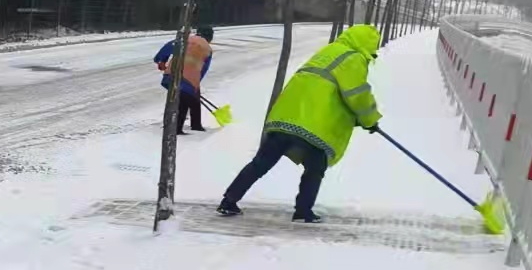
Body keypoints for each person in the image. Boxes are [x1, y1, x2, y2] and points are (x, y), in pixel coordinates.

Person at [218, 24, 383, 224]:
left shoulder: (329, 51)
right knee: (315, 167)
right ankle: (303, 211)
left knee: (261, 162)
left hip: (286, 115)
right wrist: (370, 120)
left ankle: (228, 200)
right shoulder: (354, 58)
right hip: (313, 122)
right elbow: (357, 94)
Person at [154, 25, 214, 133]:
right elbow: (203, 70)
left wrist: (161, 61)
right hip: (189, 81)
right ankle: (176, 129)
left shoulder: (185, 39)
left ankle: (193, 125)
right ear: (210, 37)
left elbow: (166, 49)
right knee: (184, 101)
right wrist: (195, 85)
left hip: (171, 76)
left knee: (178, 100)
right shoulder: (208, 49)